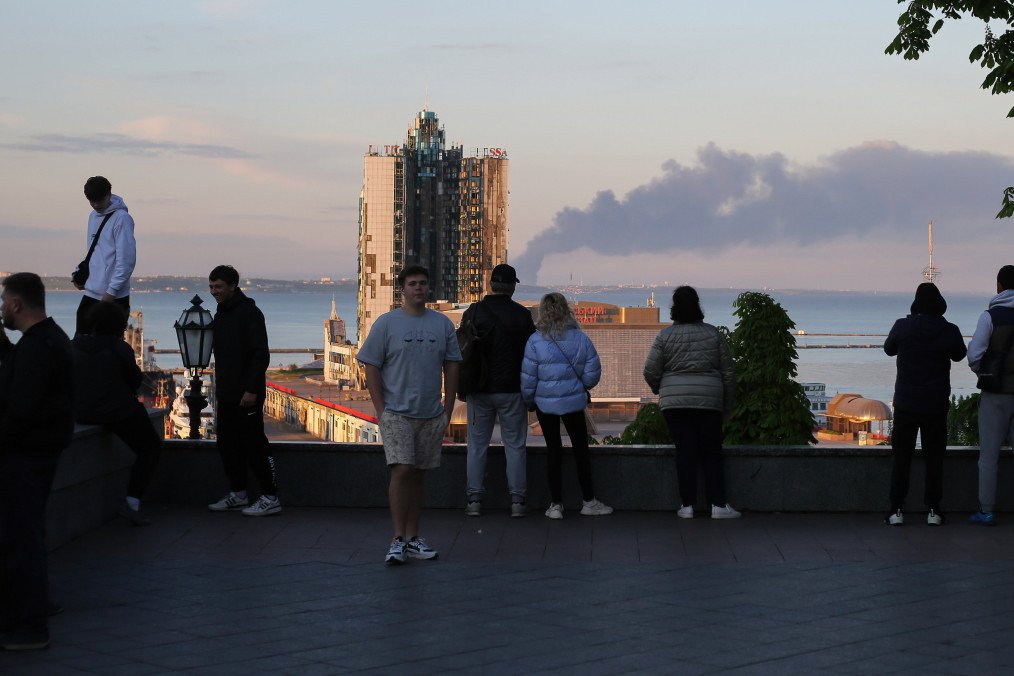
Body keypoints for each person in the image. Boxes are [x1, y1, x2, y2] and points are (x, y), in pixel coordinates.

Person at [357, 265, 461, 564]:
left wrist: (448, 409)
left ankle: (414, 538)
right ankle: (397, 538)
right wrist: (381, 410)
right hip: (397, 413)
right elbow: (371, 365)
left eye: (423, 284)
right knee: (402, 469)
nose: (419, 288)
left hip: (430, 413)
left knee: (418, 474)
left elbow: (453, 365)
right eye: (413, 283)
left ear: (429, 289)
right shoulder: (387, 323)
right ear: (402, 289)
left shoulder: (442, 325)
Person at [0, 273, 74, 650]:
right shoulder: (52, 339)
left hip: (25, 456)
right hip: (41, 452)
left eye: (3, 301)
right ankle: (34, 608)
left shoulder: (36, 348)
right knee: (27, 534)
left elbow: (20, 410)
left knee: (20, 539)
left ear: (16, 304)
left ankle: (29, 625)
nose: (1, 309)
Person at [643, 286, 740, 519]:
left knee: (684, 452)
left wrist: (661, 389)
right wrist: (728, 405)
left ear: (674, 308)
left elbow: (650, 370)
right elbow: (728, 373)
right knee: (712, 452)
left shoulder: (664, 336)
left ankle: (686, 506)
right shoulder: (713, 334)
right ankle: (718, 505)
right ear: (698, 306)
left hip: (675, 405)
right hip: (709, 402)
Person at [521, 292, 612, 519]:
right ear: (566, 310)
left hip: (544, 402)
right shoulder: (581, 338)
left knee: (553, 451)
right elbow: (593, 372)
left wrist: (529, 400)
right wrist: (581, 386)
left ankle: (555, 505)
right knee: (581, 450)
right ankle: (589, 501)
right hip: (573, 401)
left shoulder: (534, 340)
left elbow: (528, 377)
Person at [882, 283, 966, 526]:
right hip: (936, 404)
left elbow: (889, 349)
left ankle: (896, 509)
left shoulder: (903, 326)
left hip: (907, 403)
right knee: (935, 458)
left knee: (902, 457)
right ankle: (933, 510)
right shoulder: (948, 329)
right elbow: (960, 354)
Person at [73, 301, 162, 526]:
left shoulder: (74, 345)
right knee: (150, 448)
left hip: (82, 412)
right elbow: (134, 381)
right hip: (117, 412)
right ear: (119, 326)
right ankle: (131, 502)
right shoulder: (119, 348)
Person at [462, 264, 536, 518]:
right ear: (513, 286)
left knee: (477, 445)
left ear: (491, 285)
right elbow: (531, 354)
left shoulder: (474, 312)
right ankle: (517, 501)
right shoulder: (523, 316)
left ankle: (474, 500)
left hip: (479, 389)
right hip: (512, 390)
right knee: (515, 445)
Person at [205, 265, 280, 517]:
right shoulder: (222, 314)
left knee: (254, 444)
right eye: (211, 287)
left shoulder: (249, 313)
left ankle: (270, 496)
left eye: (218, 287)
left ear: (233, 286)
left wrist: (251, 389)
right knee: (227, 443)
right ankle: (238, 493)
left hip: (247, 395)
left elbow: (261, 354)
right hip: (226, 393)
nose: (214, 291)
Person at [966, 265, 1014, 526]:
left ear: (999, 286)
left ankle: (986, 510)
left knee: (989, 455)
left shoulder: (990, 317)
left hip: (995, 394)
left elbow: (974, 355)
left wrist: (984, 374)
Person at [74, 176, 136, 336]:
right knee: (81, 346)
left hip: (112, 297)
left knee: (106, 349)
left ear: (109, 194)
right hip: (92, 292)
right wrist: (84, 275)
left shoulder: (122, 219)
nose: (95, 205)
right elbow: (94, 251)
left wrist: (111, 293)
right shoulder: (92, 216)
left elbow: (126, 261)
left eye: (99, 200)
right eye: (91, 201)